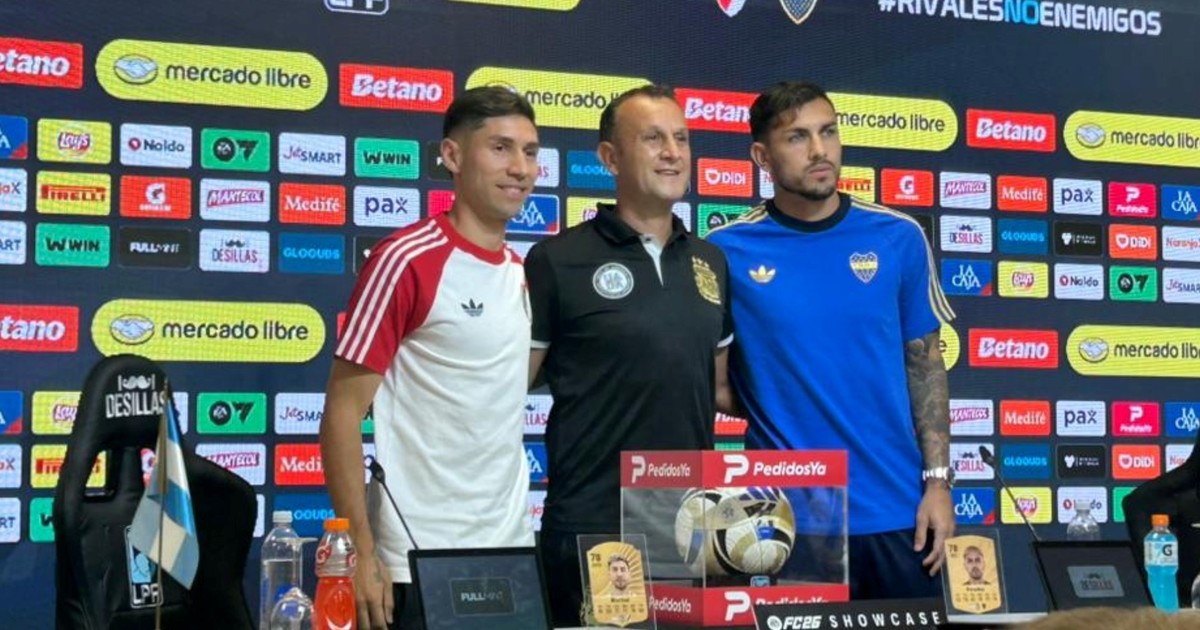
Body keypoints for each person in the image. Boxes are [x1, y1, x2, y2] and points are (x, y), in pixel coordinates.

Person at [706, 81, 957, 599]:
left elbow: (926, 366)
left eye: (828, 132)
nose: (820, 150)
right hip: (782, 521)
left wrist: (938, 483)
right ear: (762, 156)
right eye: (797, 137)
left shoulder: (898, 236)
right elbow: (715, 383)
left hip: (898, 512)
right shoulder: (724, 251)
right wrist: (778, 399)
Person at [319, 86, 540, 630]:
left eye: (530, 152)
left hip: (511, 551)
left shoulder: (522, 272)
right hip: (417, 557)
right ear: (453, 156)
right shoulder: (405, 260)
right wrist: (362, 553)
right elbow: (342, 415)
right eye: (500, 148)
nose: (519, 168)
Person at [525, 84, 734, 626]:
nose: (673, 153)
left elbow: (719, 387)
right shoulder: (557, 259)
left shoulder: (710, 261)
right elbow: (508, 389)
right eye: (653, 139)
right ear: (610, 157)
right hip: (596, 525)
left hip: (690, 523)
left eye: (682, 139)